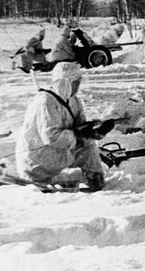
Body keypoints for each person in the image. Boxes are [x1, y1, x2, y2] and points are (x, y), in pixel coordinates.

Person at [15, 62, 105, 191]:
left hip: (55, 153)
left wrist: (94, 131)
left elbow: (80, 126)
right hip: (37, 158)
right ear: (64, 82)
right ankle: (42, 178)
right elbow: (51, 137)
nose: (78, 86)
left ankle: (95, 179)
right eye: (75, 83)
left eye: (79, 82)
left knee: (89, 145)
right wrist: (79, 134)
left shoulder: (74, 100)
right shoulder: (46, 102)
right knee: (84, 144)